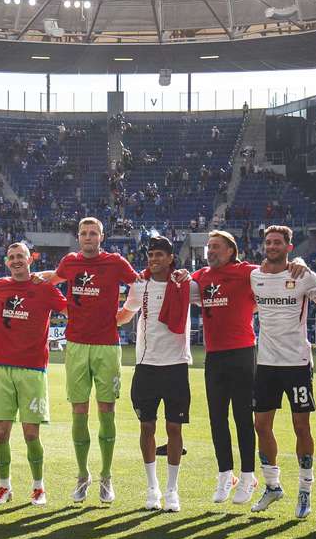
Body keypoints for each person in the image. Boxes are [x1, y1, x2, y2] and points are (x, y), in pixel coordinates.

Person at [43, 217, 138, 503]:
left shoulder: (115, 262)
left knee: (106, 408)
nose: (87, 237)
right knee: (79, 410)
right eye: (83, 233)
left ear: (101, 236)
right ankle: (83, 476)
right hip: (76, 345)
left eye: (93, 233)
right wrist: (62, 303)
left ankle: (106, 477)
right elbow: (54, 280)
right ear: (78, 236)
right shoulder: (70, 262)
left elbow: (142, 283)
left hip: (107, 346)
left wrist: (127, 313)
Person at [0, 241, 68, 506]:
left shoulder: (43, 288)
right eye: (11, 257)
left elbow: (69, 311)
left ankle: (38, 487)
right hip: (3, 368)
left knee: (31, 433)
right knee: (0, 434)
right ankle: (4, 486)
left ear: (30, 259)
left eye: (20, 256)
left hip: (33, 369)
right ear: (7, 262)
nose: (16, 260)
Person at [249, 226, 316, 518]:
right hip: (266, 363)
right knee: (261, 425)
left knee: (301, 427)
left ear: (290, 247)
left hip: (297, 364)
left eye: (278, 242)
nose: (272, 246)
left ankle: (305, 490)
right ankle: (272, 485)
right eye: (268, 242)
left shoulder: (304, 276)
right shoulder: (255, 276)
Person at [119, 236, 191, 512]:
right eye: (150, 254)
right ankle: (153, 488)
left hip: (176, 365)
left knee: (174, 428)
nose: (154, 259)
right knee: (147, 426)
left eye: (159, 254)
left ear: (171, 258)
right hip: (146, 366)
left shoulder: (185, 284)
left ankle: (172, 490)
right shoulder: (140, 285)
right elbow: (127, 313)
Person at [193, 230, 262, 505]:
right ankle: (225, 475)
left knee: (244, 419)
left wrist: (299, 265)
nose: (210, 251)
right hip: (214, 356)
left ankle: (248, 477)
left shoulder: (247, 272)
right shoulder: (201, 276)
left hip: (243, 354)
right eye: (209, 247)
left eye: (216, 247)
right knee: (217, 419)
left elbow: (275, 271)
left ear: (231, 251)